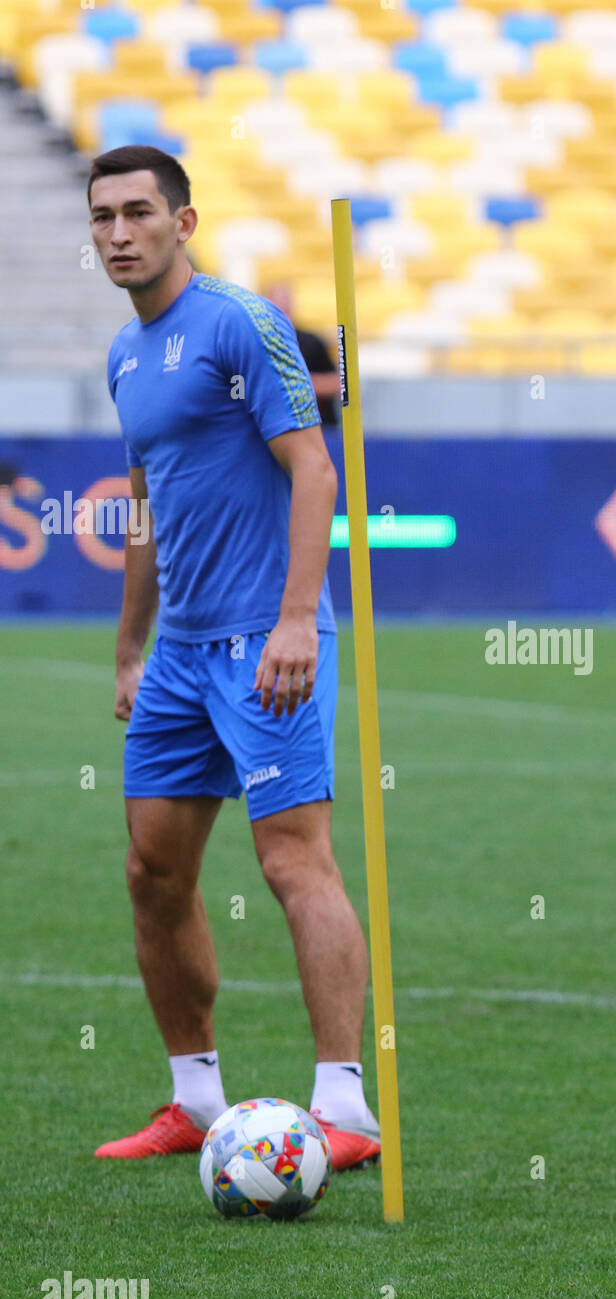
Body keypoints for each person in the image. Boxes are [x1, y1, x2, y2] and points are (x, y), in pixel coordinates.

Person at [89, 144, 379, 1170]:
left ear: (184, 221)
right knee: (150, 869)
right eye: (104, 218)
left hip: (268, 636)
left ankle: (346, 1106)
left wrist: (299, 619)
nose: (119, 233)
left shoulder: (241, 322)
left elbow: (313, 471)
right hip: (179, 653)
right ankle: (193, 1097)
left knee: (294, 861)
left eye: (137, 213)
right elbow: (144, 511)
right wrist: (130, 647)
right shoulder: (125, 357)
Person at [262, 281, 340, 429]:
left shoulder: (312, 342)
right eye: (278, 306)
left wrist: (300, 384)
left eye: (287, 305)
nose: (283, 311)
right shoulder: (256, 342)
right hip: (274, 427)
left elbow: (338, 383)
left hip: (319, 427)